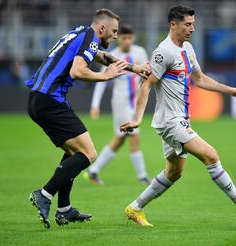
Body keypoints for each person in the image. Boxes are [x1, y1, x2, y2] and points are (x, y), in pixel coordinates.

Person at [120, 6, 236, 227]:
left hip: (181, 118)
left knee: (174, 172)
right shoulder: (163, 52)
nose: (192, 28)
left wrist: (231, 90)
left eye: (193, 24)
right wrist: (137, 119)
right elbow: (146, 86)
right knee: (211, 156)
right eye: (188, 24)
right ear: (173, 24)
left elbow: (200, 79)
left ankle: (134, 208)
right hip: (170, 121)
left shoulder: (188, 48)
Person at [26, 9, 150, 229]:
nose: (115, 36)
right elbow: (77, 71)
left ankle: (64, 210)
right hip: (49, 100)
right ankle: (44, 194)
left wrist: (133, 68)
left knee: (73, 152)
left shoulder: (81, 34)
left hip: (39, 99)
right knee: (88, 153)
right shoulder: (90, 37)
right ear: (101, 28)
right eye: (113, 32)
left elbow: (103, 57)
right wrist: (105, 76)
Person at [86, 25, 151, 185]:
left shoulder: (140, 52)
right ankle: (142, 176)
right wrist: (95, 104)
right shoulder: (112, 56)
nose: (127, 41)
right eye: (124, 38)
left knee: (120, 139)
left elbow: (147, 73)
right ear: (118, 38)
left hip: (134, 101)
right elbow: (101, 81)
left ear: (133, 38)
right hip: (121, 102)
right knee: (134, 136)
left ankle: (93, 171)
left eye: (130, 38)